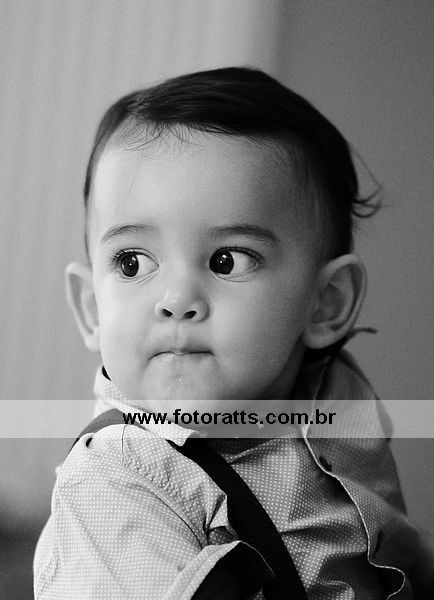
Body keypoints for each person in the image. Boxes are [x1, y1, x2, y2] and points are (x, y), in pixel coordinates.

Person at [34, 67, 433, 599]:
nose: (177, 299)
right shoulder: (118, 483)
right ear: (92, 309)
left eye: (227, 260)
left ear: (326, 304)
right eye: (132, 262)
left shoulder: (339, 403)